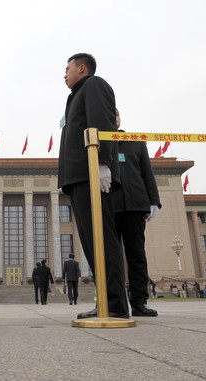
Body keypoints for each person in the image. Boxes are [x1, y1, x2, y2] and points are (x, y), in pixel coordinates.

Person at [58, 53, 129, 319]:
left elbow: (102, 124)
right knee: (92, 242)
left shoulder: (94, 85)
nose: (64, 74)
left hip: (90, 174)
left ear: (82, 68)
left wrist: (101, 163)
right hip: (78, 178)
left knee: (103, 240)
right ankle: (107, 303)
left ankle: (115, 306)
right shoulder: (75, 96)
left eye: (67, 69)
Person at [113, 109, 161, 317]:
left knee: (136, 257)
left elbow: (147, 173)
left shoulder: (135, 142)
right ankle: (114, 302)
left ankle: (139, 302)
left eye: (115, 116)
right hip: (109, 207)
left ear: (119, 119)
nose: (113, 119)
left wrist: (154, 201)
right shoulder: (98, 143)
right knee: (111, 257)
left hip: (134, 205)